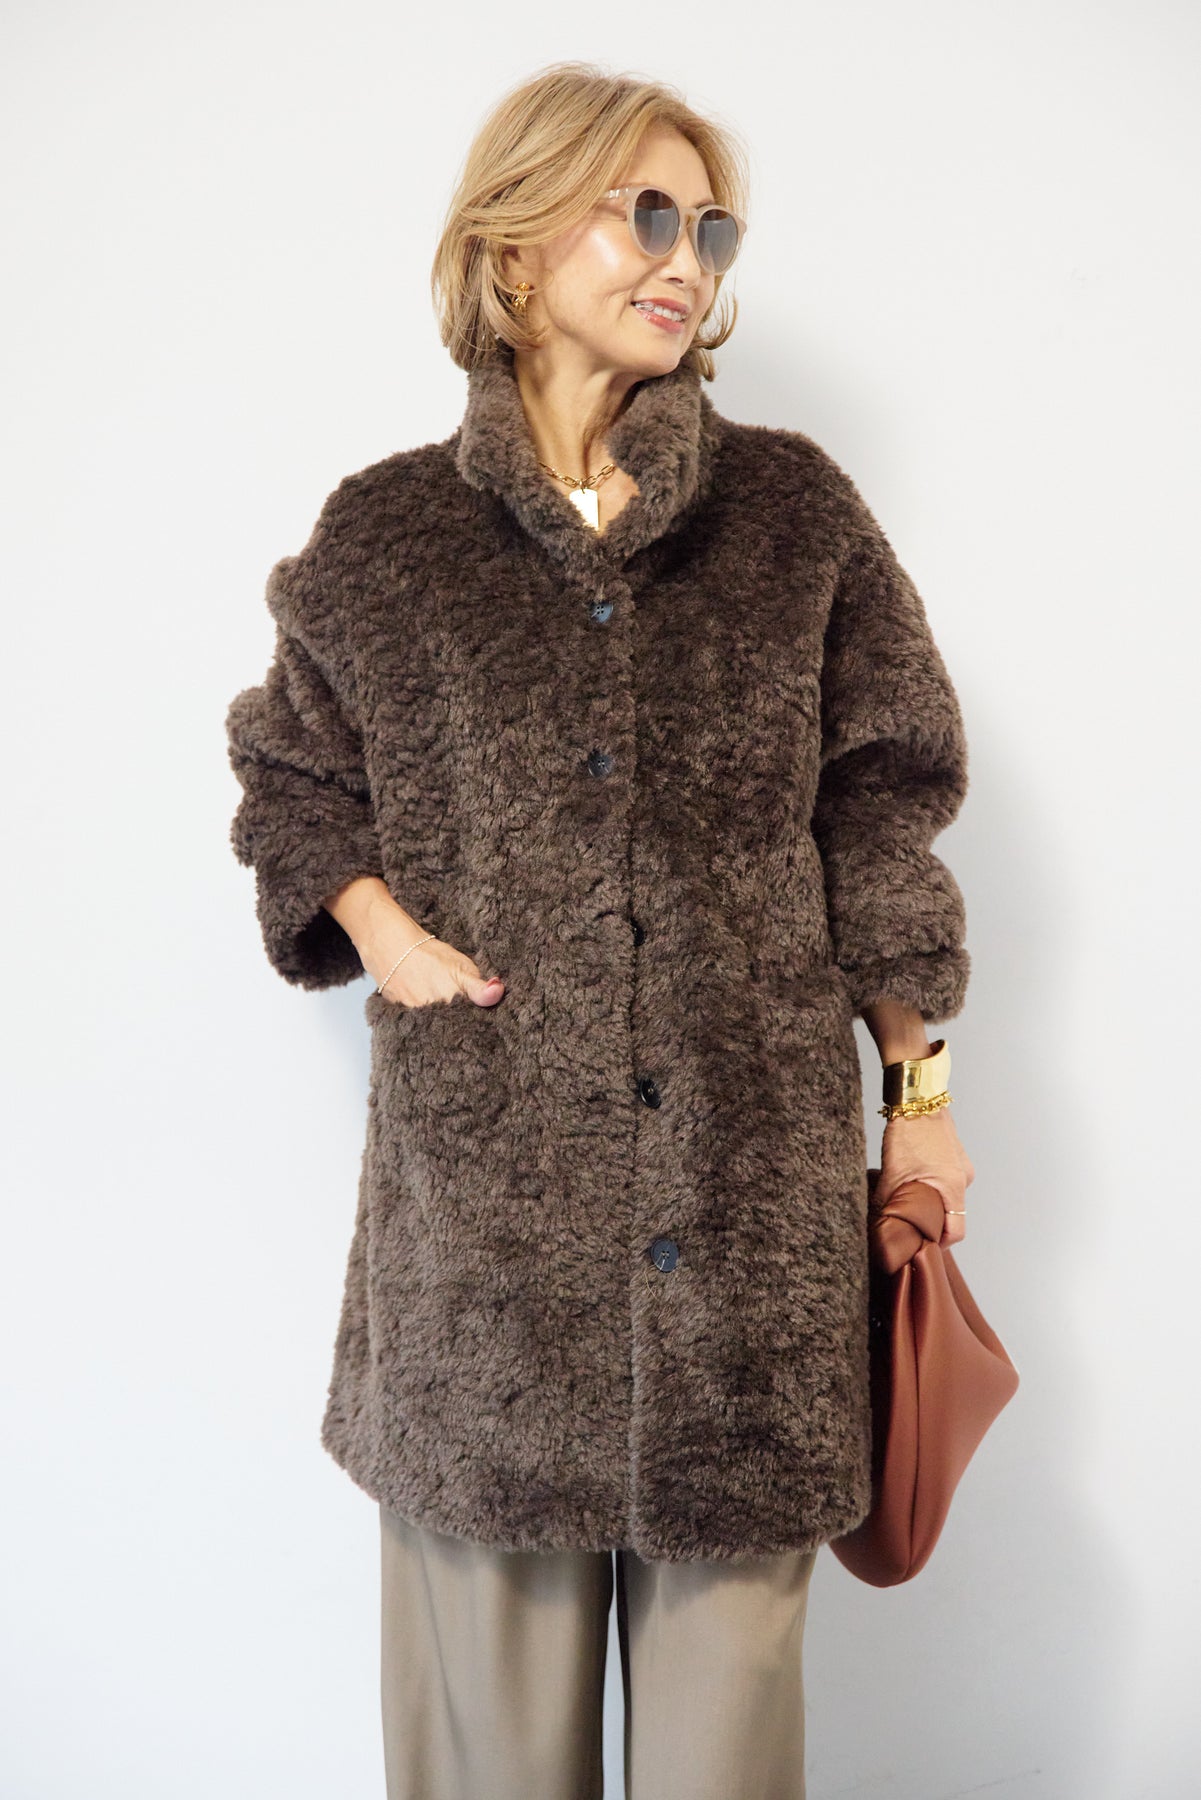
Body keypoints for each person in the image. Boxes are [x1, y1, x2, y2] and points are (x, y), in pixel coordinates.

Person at [224, 59, 975, 1800]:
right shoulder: (387, 535)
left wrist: (920, 1094)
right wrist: (383, 935)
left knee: (726, 1762)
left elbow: (881, 801)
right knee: (491, 1767)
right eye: (641, 213)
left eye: (708, 229)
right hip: (483, 1255)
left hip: (748, 1234)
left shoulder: (792, 517)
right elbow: (287, 777)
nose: (681, 259)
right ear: (512, 241)